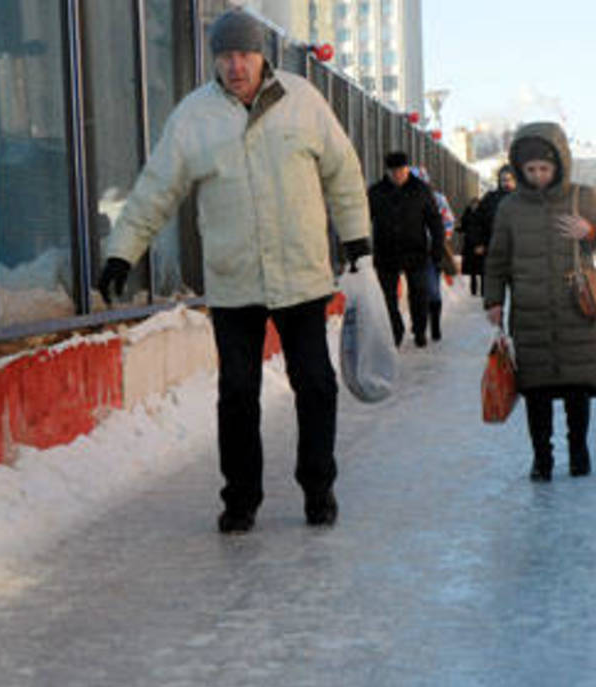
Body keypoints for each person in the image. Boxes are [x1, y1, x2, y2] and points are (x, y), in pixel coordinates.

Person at [97, 9, 372, 532]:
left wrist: (357, 237)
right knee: (238, 392)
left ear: (262, 55)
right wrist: (122, 252)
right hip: (234, 280)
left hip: (302, 274)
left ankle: (319, 487)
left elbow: (342, 169)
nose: (235, 66)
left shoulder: (303, 101)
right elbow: (157, 188)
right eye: (224, 56)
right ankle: (241, 498)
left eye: (244, 54)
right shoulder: (194, 116)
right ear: (215, 61)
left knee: (315, 383)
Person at [484, 122, 596, 481]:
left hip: (576, 310)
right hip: (530, 312)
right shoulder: (510, 208)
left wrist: (590, 233)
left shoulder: (584, 197)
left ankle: (579, 452)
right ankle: (542, 458)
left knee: (579, 388)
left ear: (559, 163)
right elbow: (497, 259)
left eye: (544, 169)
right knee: (536, 391)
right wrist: (493, 300)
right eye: (530, 170)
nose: (538, 177)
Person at [368, 152, 445, 347]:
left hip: (415, 250)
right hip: (386, 252)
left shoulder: (421, 190)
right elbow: (363, 220)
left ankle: (419, 330)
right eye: (394, 171)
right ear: (388, 171)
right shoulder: (376, 192)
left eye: (401, 170)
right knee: (388, 296)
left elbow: (435, 221)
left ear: (407, 169)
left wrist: (437, 247)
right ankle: (395, 329)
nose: (398, 175)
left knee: (419, 294)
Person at [412, 166, 455, 341]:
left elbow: (449, 222)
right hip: (412, 250)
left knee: (432, 288)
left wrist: (439, 240)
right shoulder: (406, 199)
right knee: (416, 289)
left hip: (431, 250)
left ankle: (434, 325)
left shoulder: (437, 199)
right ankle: (420, 326)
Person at [470, 165, 516, 295]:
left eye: (510, 180)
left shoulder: (524, 200)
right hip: (494, 250)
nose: (506, 183)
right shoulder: (490, 199)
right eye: (503, 180)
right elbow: (476, 222)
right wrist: (478, 242)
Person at [458, 196, 482, 295]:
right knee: (472, 270)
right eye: (473, 204)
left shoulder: (483, 214)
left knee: (481, 269)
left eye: (476, 204)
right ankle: (473, 290)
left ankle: (483, 290)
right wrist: (460, 229)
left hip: (480, 244)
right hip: (470, 244)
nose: (474, 206)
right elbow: (463, 226)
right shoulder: (467, 214)